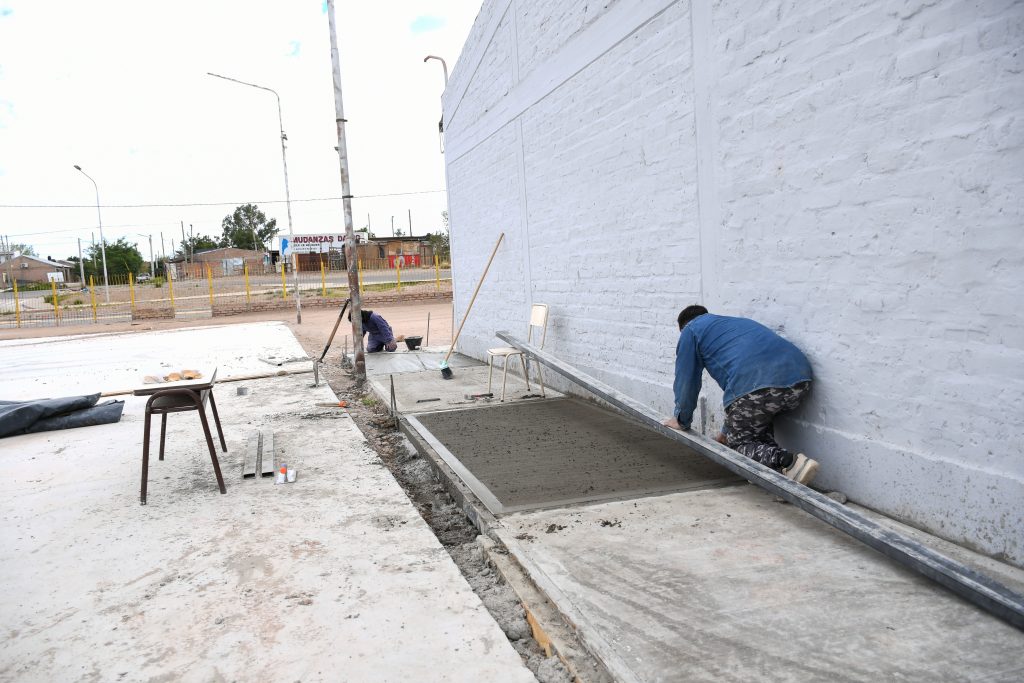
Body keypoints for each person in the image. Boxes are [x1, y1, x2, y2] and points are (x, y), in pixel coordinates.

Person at [662, 305, 820, 486]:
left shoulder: (690, 331)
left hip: (759, 386)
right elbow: (743, 407)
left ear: (684, 326)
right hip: (800, 380)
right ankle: (782, 479)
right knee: (756, 435)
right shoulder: (733, 324)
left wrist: (681, 419)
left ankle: (789, 461)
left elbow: (686, 380)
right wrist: (725, 432)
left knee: (738, 447)